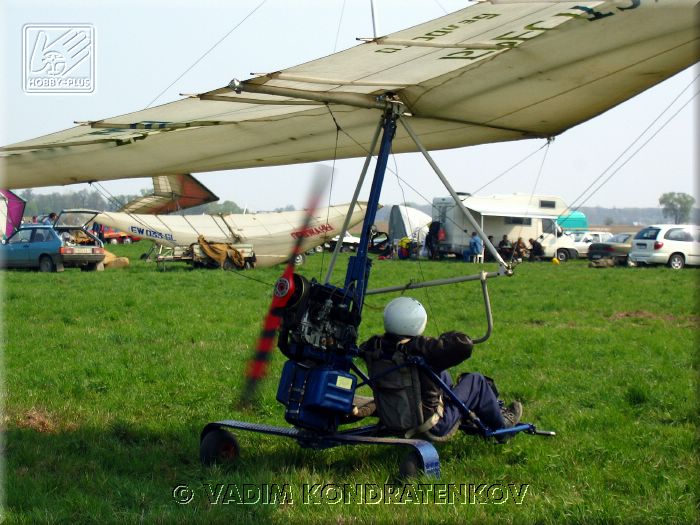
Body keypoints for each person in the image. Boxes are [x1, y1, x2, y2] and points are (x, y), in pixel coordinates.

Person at [359, 297, 522, 441]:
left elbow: (362, 347)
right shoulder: (421, 350)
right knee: (476, 381)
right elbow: (464, 345)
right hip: (432, 425)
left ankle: (470, 413)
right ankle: (503, 427)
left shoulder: (373, 347)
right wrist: (440, 338)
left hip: (395, 417)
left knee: (441, 374)